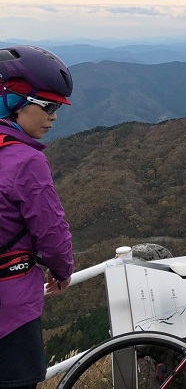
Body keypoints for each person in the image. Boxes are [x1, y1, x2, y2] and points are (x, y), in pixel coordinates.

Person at [0, 45, 74, 389]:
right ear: (12, 100)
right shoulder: (27, 161)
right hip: (9, 307)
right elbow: (51, 229)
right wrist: (61, 270)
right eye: (47, 105)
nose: (54, 116)